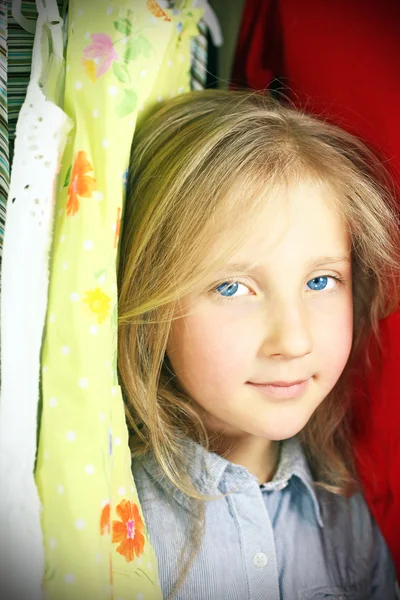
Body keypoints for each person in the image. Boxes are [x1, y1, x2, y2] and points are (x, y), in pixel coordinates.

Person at [117, 90, 400, 599]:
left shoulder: (348, 513)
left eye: (320, 281)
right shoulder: (113, 512)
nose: (292, 340)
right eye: (232, 288)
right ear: (149, 301)